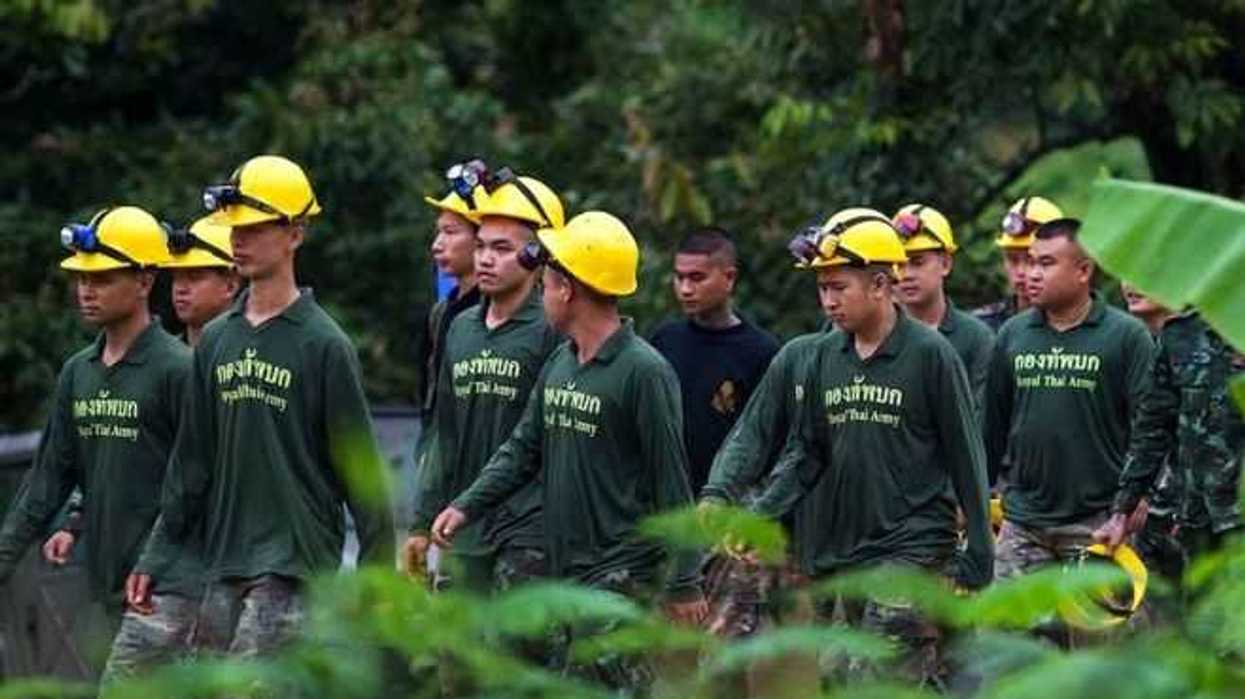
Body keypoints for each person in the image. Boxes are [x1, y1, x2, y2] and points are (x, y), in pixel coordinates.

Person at [430, 211, 707, 693]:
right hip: (562, 573)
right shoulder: (561, 361)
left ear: (567, 289)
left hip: (620, 578)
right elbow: (522, 448)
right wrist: (466, 503)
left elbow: (672, 482)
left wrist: (684, 582)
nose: (543, 293)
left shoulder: (643, 371)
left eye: (548, 283)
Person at [132, 155, 395, 658]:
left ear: (295, 234)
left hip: (294, 565)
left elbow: (361, 473)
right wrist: (156, 555)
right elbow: (192, 464)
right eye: (235, 229)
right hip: (224, 563)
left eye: (254, 228)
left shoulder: (324, 344)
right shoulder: (215, 340)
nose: (239, 240)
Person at [752, 208, 992, 688]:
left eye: (838, 288)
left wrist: (980, 551)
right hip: (848, 549)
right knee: (841, 678)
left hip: (913, 545)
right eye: (822, 289)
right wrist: (762, 515)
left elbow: (967, 454)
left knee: (874, 674)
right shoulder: (825, 356)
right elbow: (808, 453)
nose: (828, 302)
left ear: (881, 285)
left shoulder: (932, 353)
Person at [46, 215, 240, 683]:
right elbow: (116, 461)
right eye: (176, 277)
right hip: (141, 570)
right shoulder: (163, 366)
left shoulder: (245, 369)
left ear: (232, 282)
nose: (181, 289)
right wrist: (76, 516)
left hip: (215, 570)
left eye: (196, 276)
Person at [0, 207, 188, 673]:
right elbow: (45, 485)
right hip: (106, 589)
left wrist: (160, 563)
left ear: (145, 281)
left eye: (102, 278)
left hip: (172, 590)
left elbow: (200, 481)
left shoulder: (178, 370)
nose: (86, 290)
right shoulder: (77, 373)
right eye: (81, 278)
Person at [404, 167, 565, 593]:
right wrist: (420, 522)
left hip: (528, 533)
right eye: (480, 247)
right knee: (456, 656)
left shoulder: (553, 332)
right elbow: (443, 434)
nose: (486, 259)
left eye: (502, 248)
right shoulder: (459, 328)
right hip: (462, 530)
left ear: (536, 255)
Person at [983, 219, 1154, 590]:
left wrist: (1134, 501)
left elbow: (1149, 427)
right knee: (1000, 641)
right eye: (1029, 262)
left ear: (1083, 271)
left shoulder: (1126, 336)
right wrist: (975, 494)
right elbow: (990, 428)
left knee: (1096, 642)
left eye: (1045, 264)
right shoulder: (1013, 334)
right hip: (1024, 521)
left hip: (1099, 524)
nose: (1030, 274)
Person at [1095, 290, 1244, 587]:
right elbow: (1152, 431)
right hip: (1200, 521)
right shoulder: (1181, 336)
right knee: (1206, 622)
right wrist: (1122, 511)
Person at [650, 226, 779, 493]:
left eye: (697, 278)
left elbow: (768, 441)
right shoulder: (664, 340)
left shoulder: (761, 352)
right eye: (679, 277)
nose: (685, 289)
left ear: (729, 278)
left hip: (728, 505)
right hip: (666, 501)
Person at [892, 204, 994, 411]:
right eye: (899, 264)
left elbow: (982, 418)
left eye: (918, 262)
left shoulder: (975, 338)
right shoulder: (875, 335)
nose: (907, 274)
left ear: (946, 264)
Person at [975, 196, 1064, 331]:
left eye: (1031, 259)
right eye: (1012, 260)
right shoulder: (982, 328)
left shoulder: (1097, 329)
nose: (1021, 272)